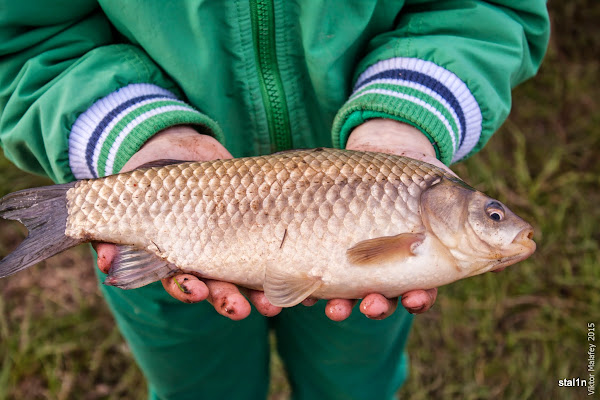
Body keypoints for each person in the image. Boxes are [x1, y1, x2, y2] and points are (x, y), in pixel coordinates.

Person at [0, 2, 549, 399]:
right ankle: (66, 216)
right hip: (172, 249)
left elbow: (485, 10)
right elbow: (27, 38)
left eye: (493, 214)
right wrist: (136, 135)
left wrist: (406, 113)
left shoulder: (412, 207)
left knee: (353, 380)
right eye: (493, 214)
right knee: (197, 384)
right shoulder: (417, 229)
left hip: (345, 299)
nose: (501, 223)